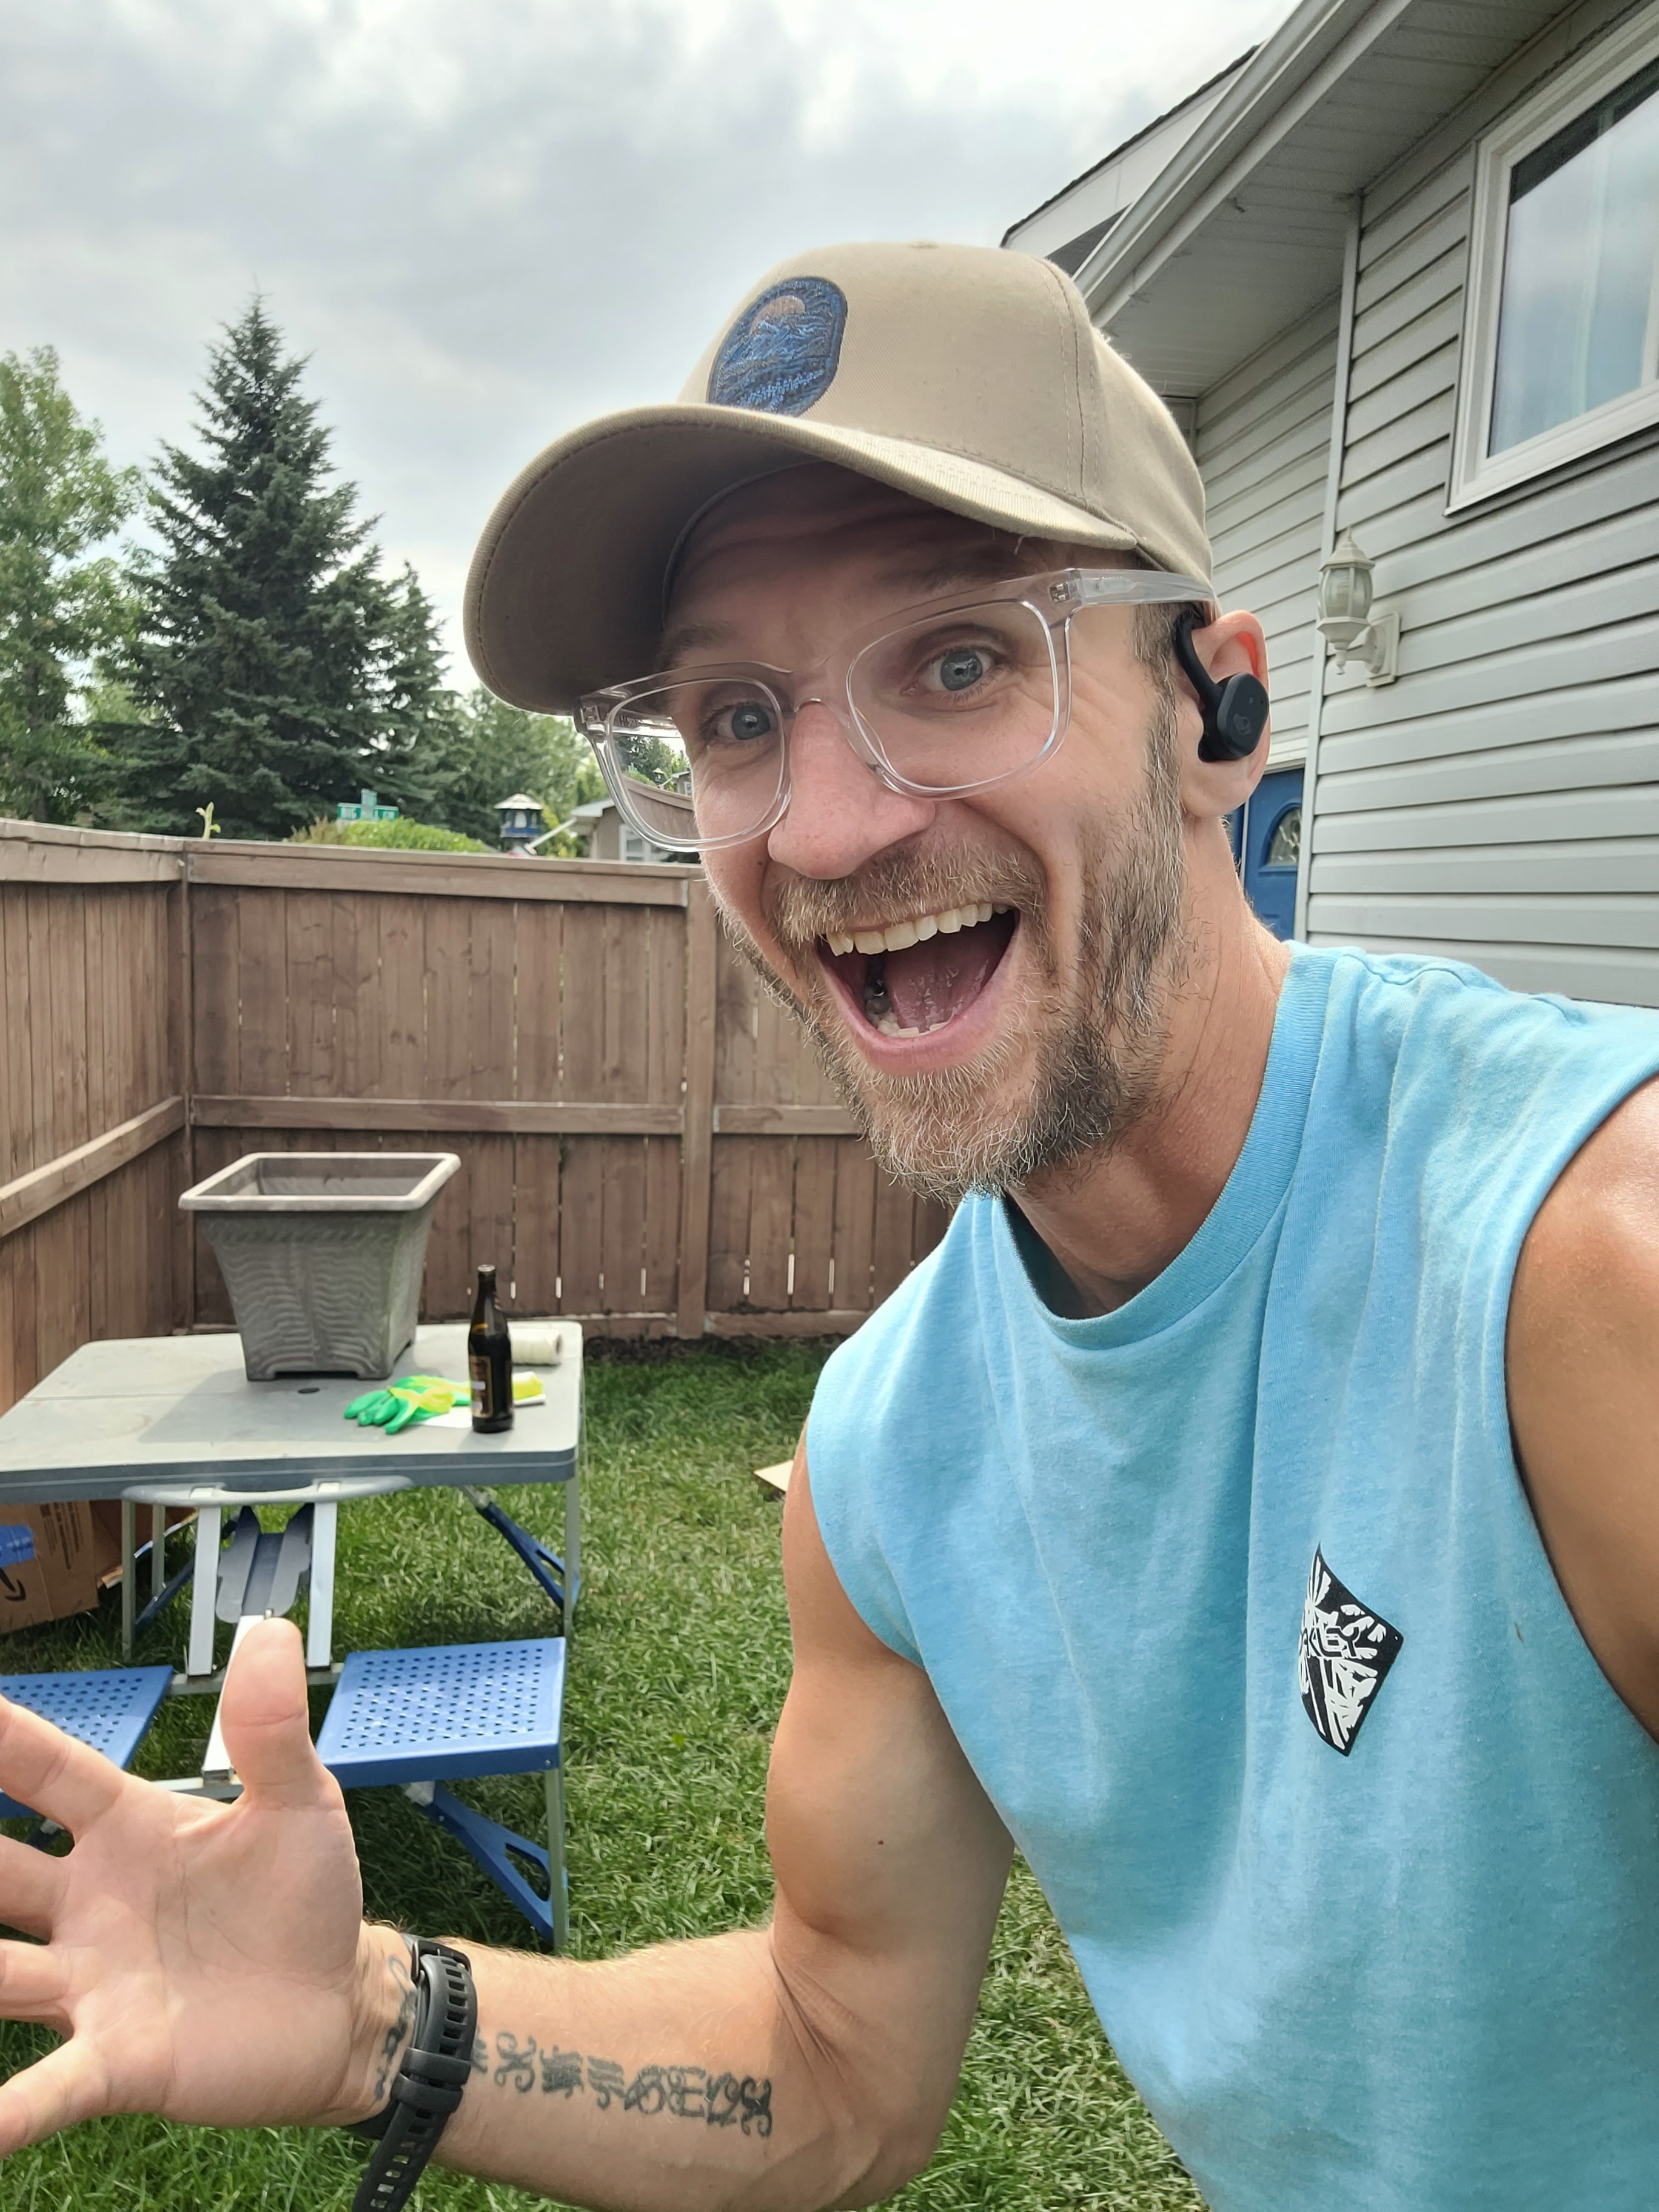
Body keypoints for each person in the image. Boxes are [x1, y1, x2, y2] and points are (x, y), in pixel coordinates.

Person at [2, 240, 1658, 2212]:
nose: (824, 828)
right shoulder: (895, 1449)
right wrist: (372, 2016)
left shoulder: (1586, 1272)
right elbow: (836, 2061)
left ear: (1216, 711)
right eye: (733, 716)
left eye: (957, 660)